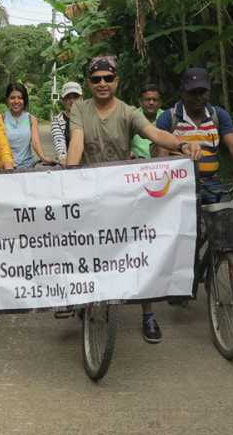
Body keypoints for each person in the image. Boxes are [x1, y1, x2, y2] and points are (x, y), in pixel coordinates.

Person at [66, 55, 202, 344]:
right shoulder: (79, 108)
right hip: (88, 189)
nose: (102, 83)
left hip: (122, 192)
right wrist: (68, 176)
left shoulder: (128, 112)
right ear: (89, 83)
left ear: (117, 81)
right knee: (83, 246)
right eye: (96, 79)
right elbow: (76, 142)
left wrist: (182, 145)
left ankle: (148, 314)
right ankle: (81, 297)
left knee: (139, 251)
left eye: (108, 78)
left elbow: (155, 133)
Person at [155, 67, 233, 326]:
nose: (199, 97)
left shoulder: (218, 115)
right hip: (181, 189)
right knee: (186, 239)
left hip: (214, 186)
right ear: (182, 92)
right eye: (193, 92)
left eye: (203, 91)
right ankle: (183, 283)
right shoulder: (168, 118)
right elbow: (161, 156)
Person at [3, 82, 52, 168]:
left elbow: (35, 142)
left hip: (28, 167)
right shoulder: (1, 119)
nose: (16, 101)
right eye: (12, 98)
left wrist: (43, 157)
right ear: (7, 100)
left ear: (24, 100)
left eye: (20, 98)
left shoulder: (31, 119)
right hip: (7, 167)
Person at [50, 81, 83, 165]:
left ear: (81, 98)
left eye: (75, 97)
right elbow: (59, 142)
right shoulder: (57, 120)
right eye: (68, 97)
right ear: (63, 100)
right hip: (69, 163)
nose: (72, 101)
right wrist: (63, 157)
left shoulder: (89, 116)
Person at [131, 84, 162, 159]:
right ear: (140, 102)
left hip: (162, 163)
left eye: (155, 100)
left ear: (160, 102)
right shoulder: (131, 117)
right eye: (148, 99)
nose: (151, 103)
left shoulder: (167, 118)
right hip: (136, 162)